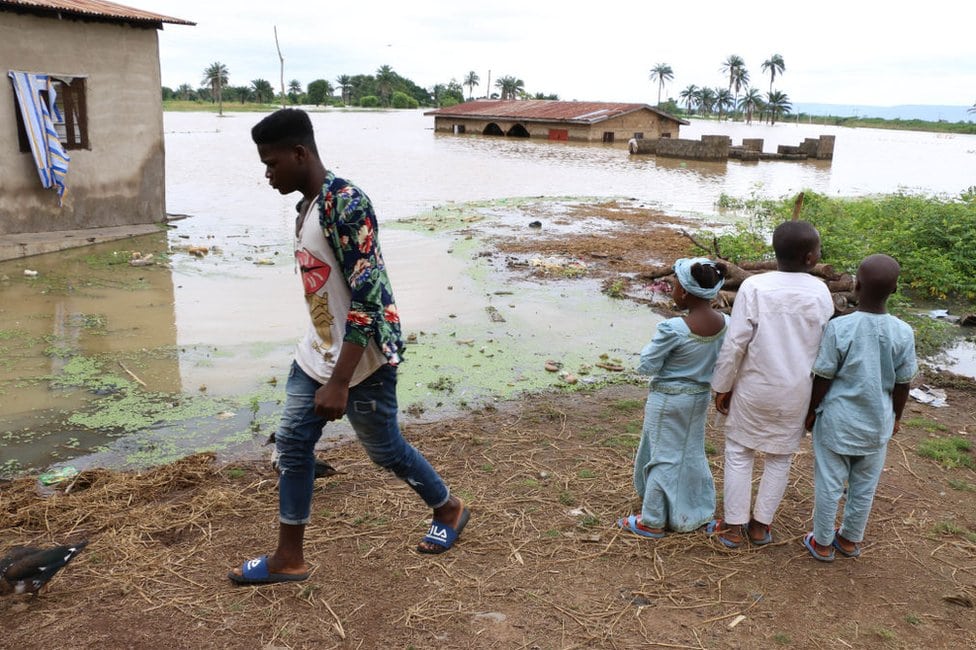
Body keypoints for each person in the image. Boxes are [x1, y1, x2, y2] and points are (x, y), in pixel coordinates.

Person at [229, 109, 469, 585]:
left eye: (272, 163)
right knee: (293, 445)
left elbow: (368, 298)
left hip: (362, 360)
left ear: (300, 153)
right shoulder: (306, 206)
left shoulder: (347, 204)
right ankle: (288, 558)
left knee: (385, 450)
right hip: (317, 350)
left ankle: (448, 509)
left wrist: (340, 381)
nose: (267, 174)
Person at [706, 221, 834, 548]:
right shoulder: (820, 292)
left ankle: (733, 526)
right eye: (818, 249)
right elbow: (825, 347)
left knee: (739, 451)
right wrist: (818, 401)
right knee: (780, 457)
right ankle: (761, 526)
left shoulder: (755, 287)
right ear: (810, 258)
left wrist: (723, 384)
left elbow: (736, 342)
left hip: (754, 387)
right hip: (797, 392)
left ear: (775, 253)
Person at [802, 254, 917, 561]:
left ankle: (822, 542)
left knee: (829, 483)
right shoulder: (903, 332)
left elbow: (823, 377)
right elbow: (903, 383)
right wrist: (896, 417)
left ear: (857, 286)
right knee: (864, 486)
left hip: (837, 421)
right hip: (877, 424)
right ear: (895, 289)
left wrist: (811, 411)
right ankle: (850, 539)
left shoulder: (840, 327)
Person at [617, 258, 729, 538]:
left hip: (667, 400)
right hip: (698, 399)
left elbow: (647, 365)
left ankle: (653, 520)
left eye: (675, 286)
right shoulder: (726, 324)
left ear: (685, 293)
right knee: (690, 451)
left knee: (663, 456)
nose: (673, 290)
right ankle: (695, 509)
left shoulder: (674, 329)